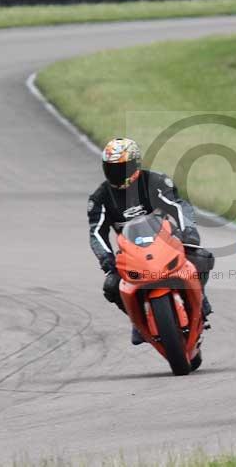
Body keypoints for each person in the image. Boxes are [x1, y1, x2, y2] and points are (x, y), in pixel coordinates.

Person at [87, 138, 214, 345]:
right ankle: (138, 322)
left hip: (166, 245)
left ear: (135, 165)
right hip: (131, 255)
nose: (117, 174)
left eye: (122, 168)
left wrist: (188, 233)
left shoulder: (154, 182)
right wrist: (106, 258)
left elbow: (180, 206)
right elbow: (96, 233)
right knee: (112, 285)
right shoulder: (100, 198)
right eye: (112, 168)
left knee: (201, 258)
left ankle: (201, 302)